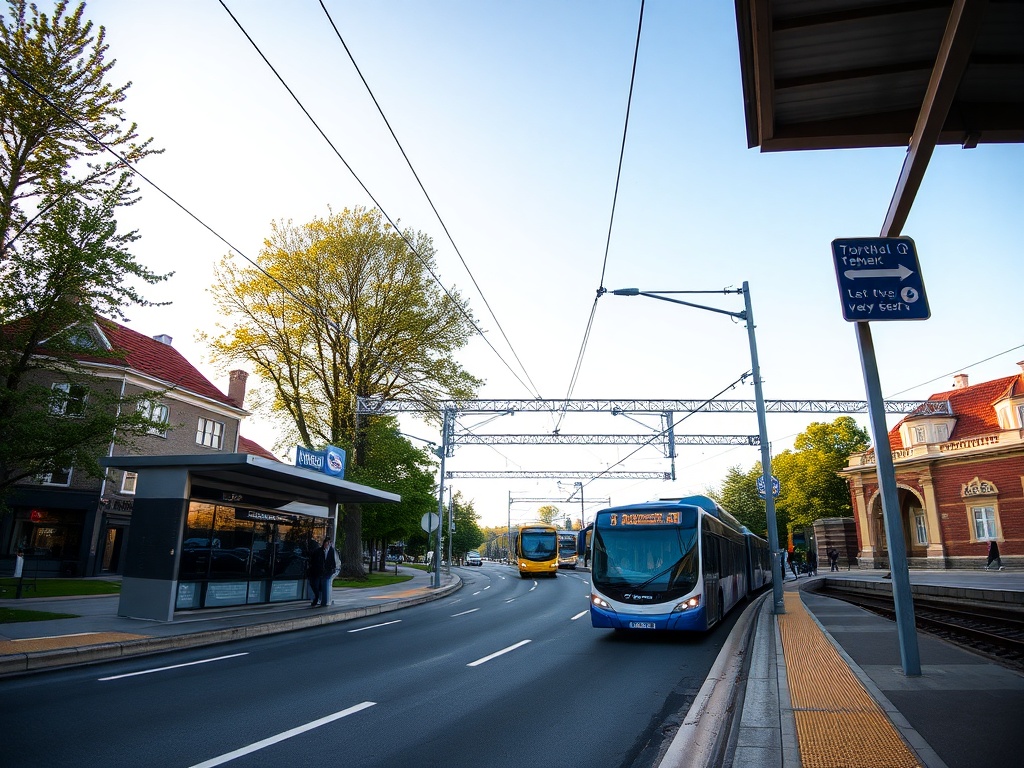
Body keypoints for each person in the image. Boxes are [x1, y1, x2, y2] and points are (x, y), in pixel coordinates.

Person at [307, 537, 328, 608]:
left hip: (318, 571)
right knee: (315, 585)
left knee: (316, 585)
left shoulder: (321, 551)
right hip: (317, 571)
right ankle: (317, 598)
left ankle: (317, 599)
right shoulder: (319, 551)